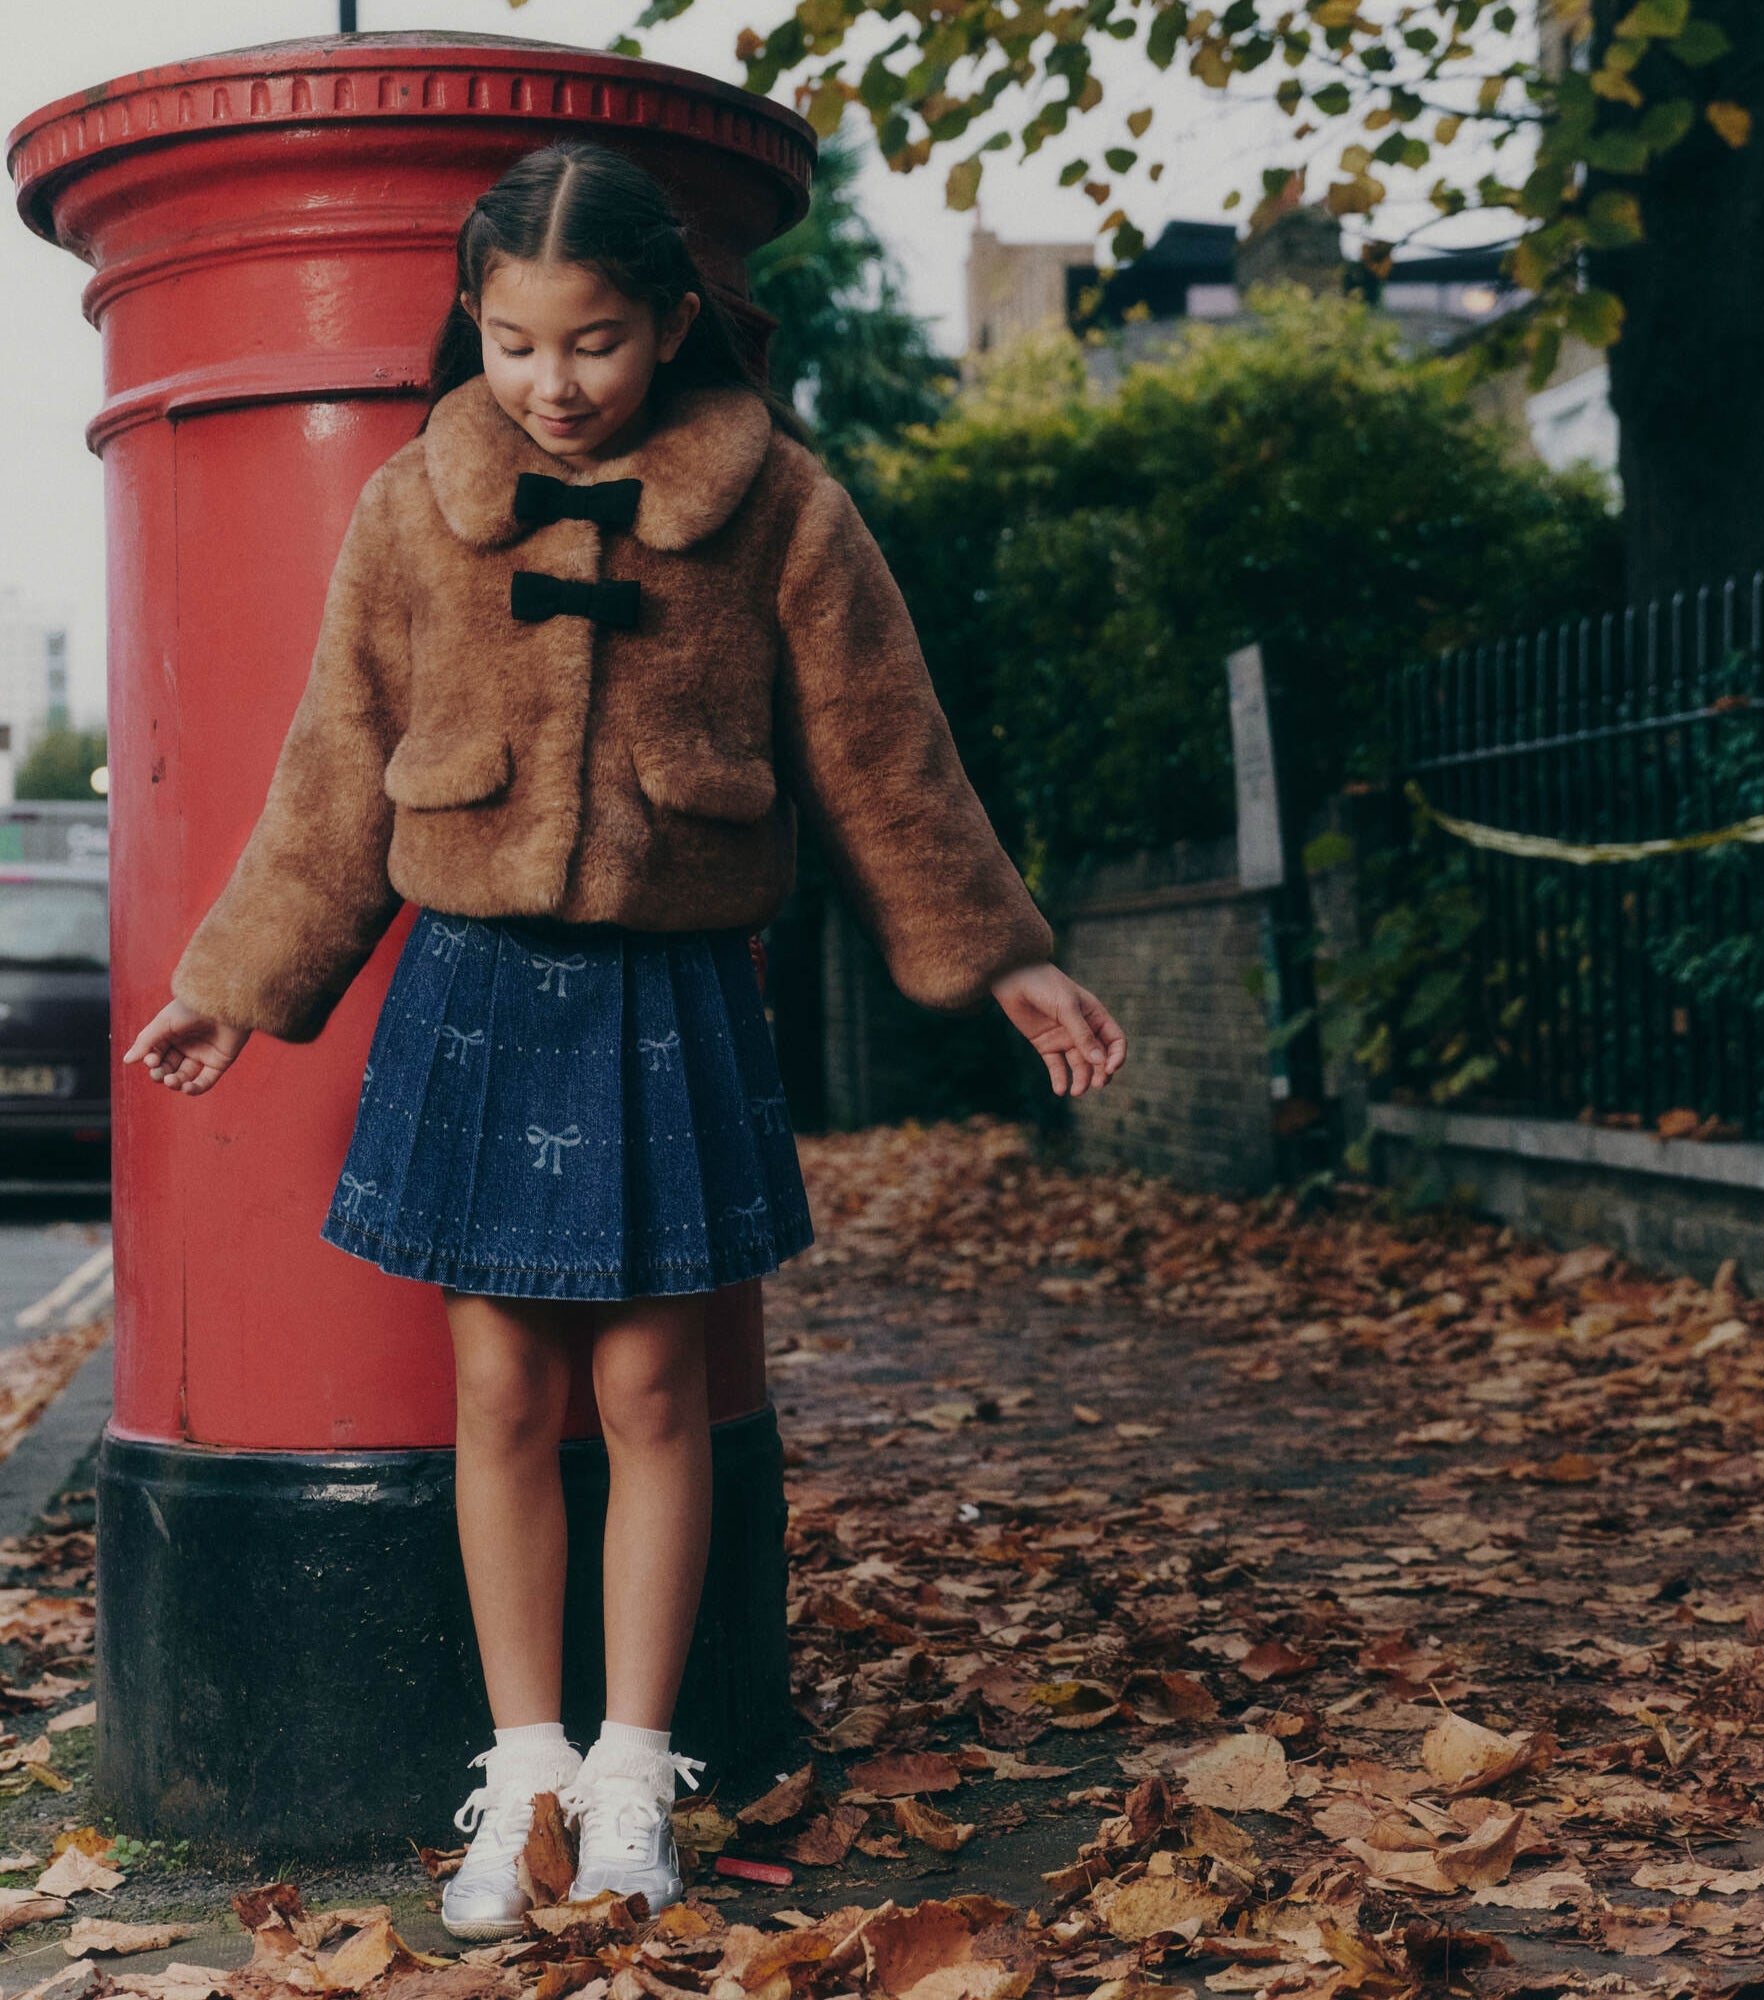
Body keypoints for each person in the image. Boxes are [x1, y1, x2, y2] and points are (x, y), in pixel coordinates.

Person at [121, 139, 1127, 1941]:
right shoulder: (412, 509)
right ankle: (520, 1772)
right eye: (512, 343)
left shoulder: (784, 507)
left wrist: (999, 960)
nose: (552, 386)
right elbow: (333, 760)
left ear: (671, 322)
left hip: (673, 993)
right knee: (501, 1393)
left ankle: (632, 1770)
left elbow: (886, 749)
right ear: (473, 328)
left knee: (657, 1393)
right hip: (474, 984)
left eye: (591, 343)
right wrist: (239, 975)